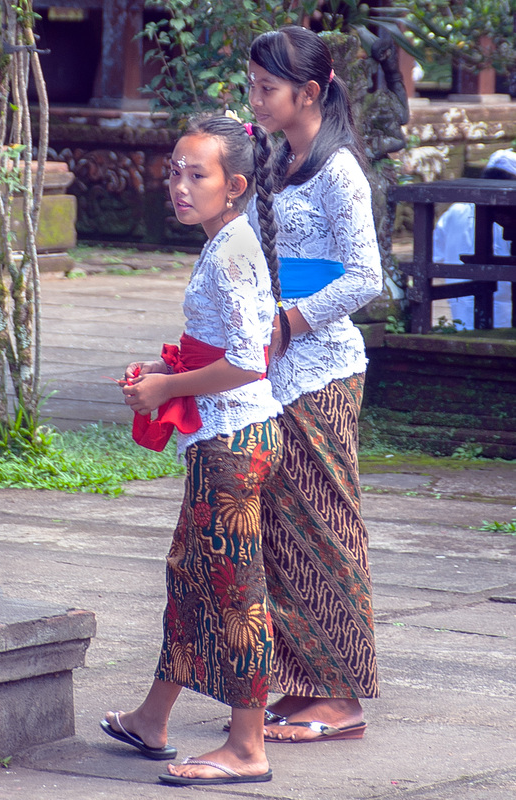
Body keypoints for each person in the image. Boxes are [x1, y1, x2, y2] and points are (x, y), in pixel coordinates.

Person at [101, 114, 290, 786]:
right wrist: (166, 374)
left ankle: (246, 746)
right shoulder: (224, 243)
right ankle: (152, 718)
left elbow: (248, 361)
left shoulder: (234, 251)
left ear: (233, 185)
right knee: (190, 576)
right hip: (221, 437)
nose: (178, 185)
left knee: (235, 594)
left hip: (234, 444)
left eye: (196, 174)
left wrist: (166, 387)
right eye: (173, 171)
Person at [243, 26, 383, 743]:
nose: (255, 99)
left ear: (308, 92)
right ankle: (302, 684)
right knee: (282, 531)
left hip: (322, 367)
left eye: (266, 88)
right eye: (251, 86)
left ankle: (342, 698)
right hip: (277, 366)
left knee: (326, 529)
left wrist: (292, 320)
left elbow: (366, 276)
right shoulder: (275, 162)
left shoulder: (338, 172)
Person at [433, 149, 516, 329]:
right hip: (501, 311)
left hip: (460, 304)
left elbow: (435, 254)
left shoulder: (454, 210)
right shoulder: (507, 214)